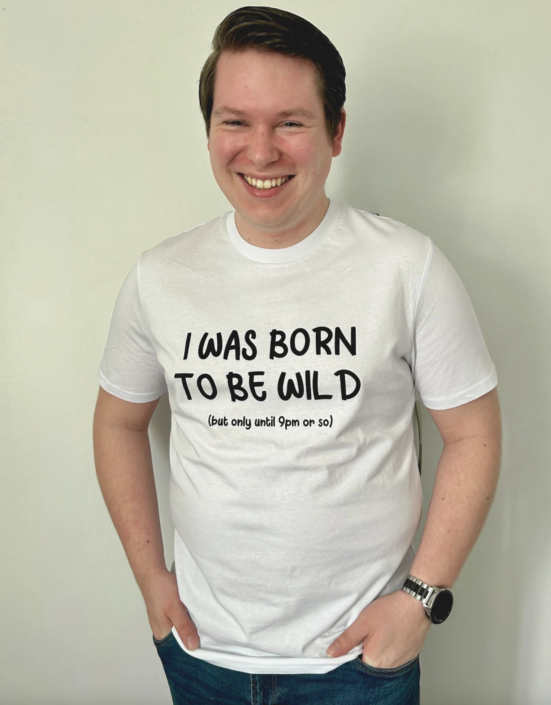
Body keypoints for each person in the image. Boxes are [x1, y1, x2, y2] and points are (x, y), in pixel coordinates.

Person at [93, 6, 502, 704]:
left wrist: (421, 599)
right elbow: (118, 422)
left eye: (290, 122)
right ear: (210, 130)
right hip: (201, 653)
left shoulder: (406, 266)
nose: (260, 152)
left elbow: (474, 432)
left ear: (335, 131)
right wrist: (148, 576)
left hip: (359, 666)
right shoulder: (160, 275)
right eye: (235, 122)